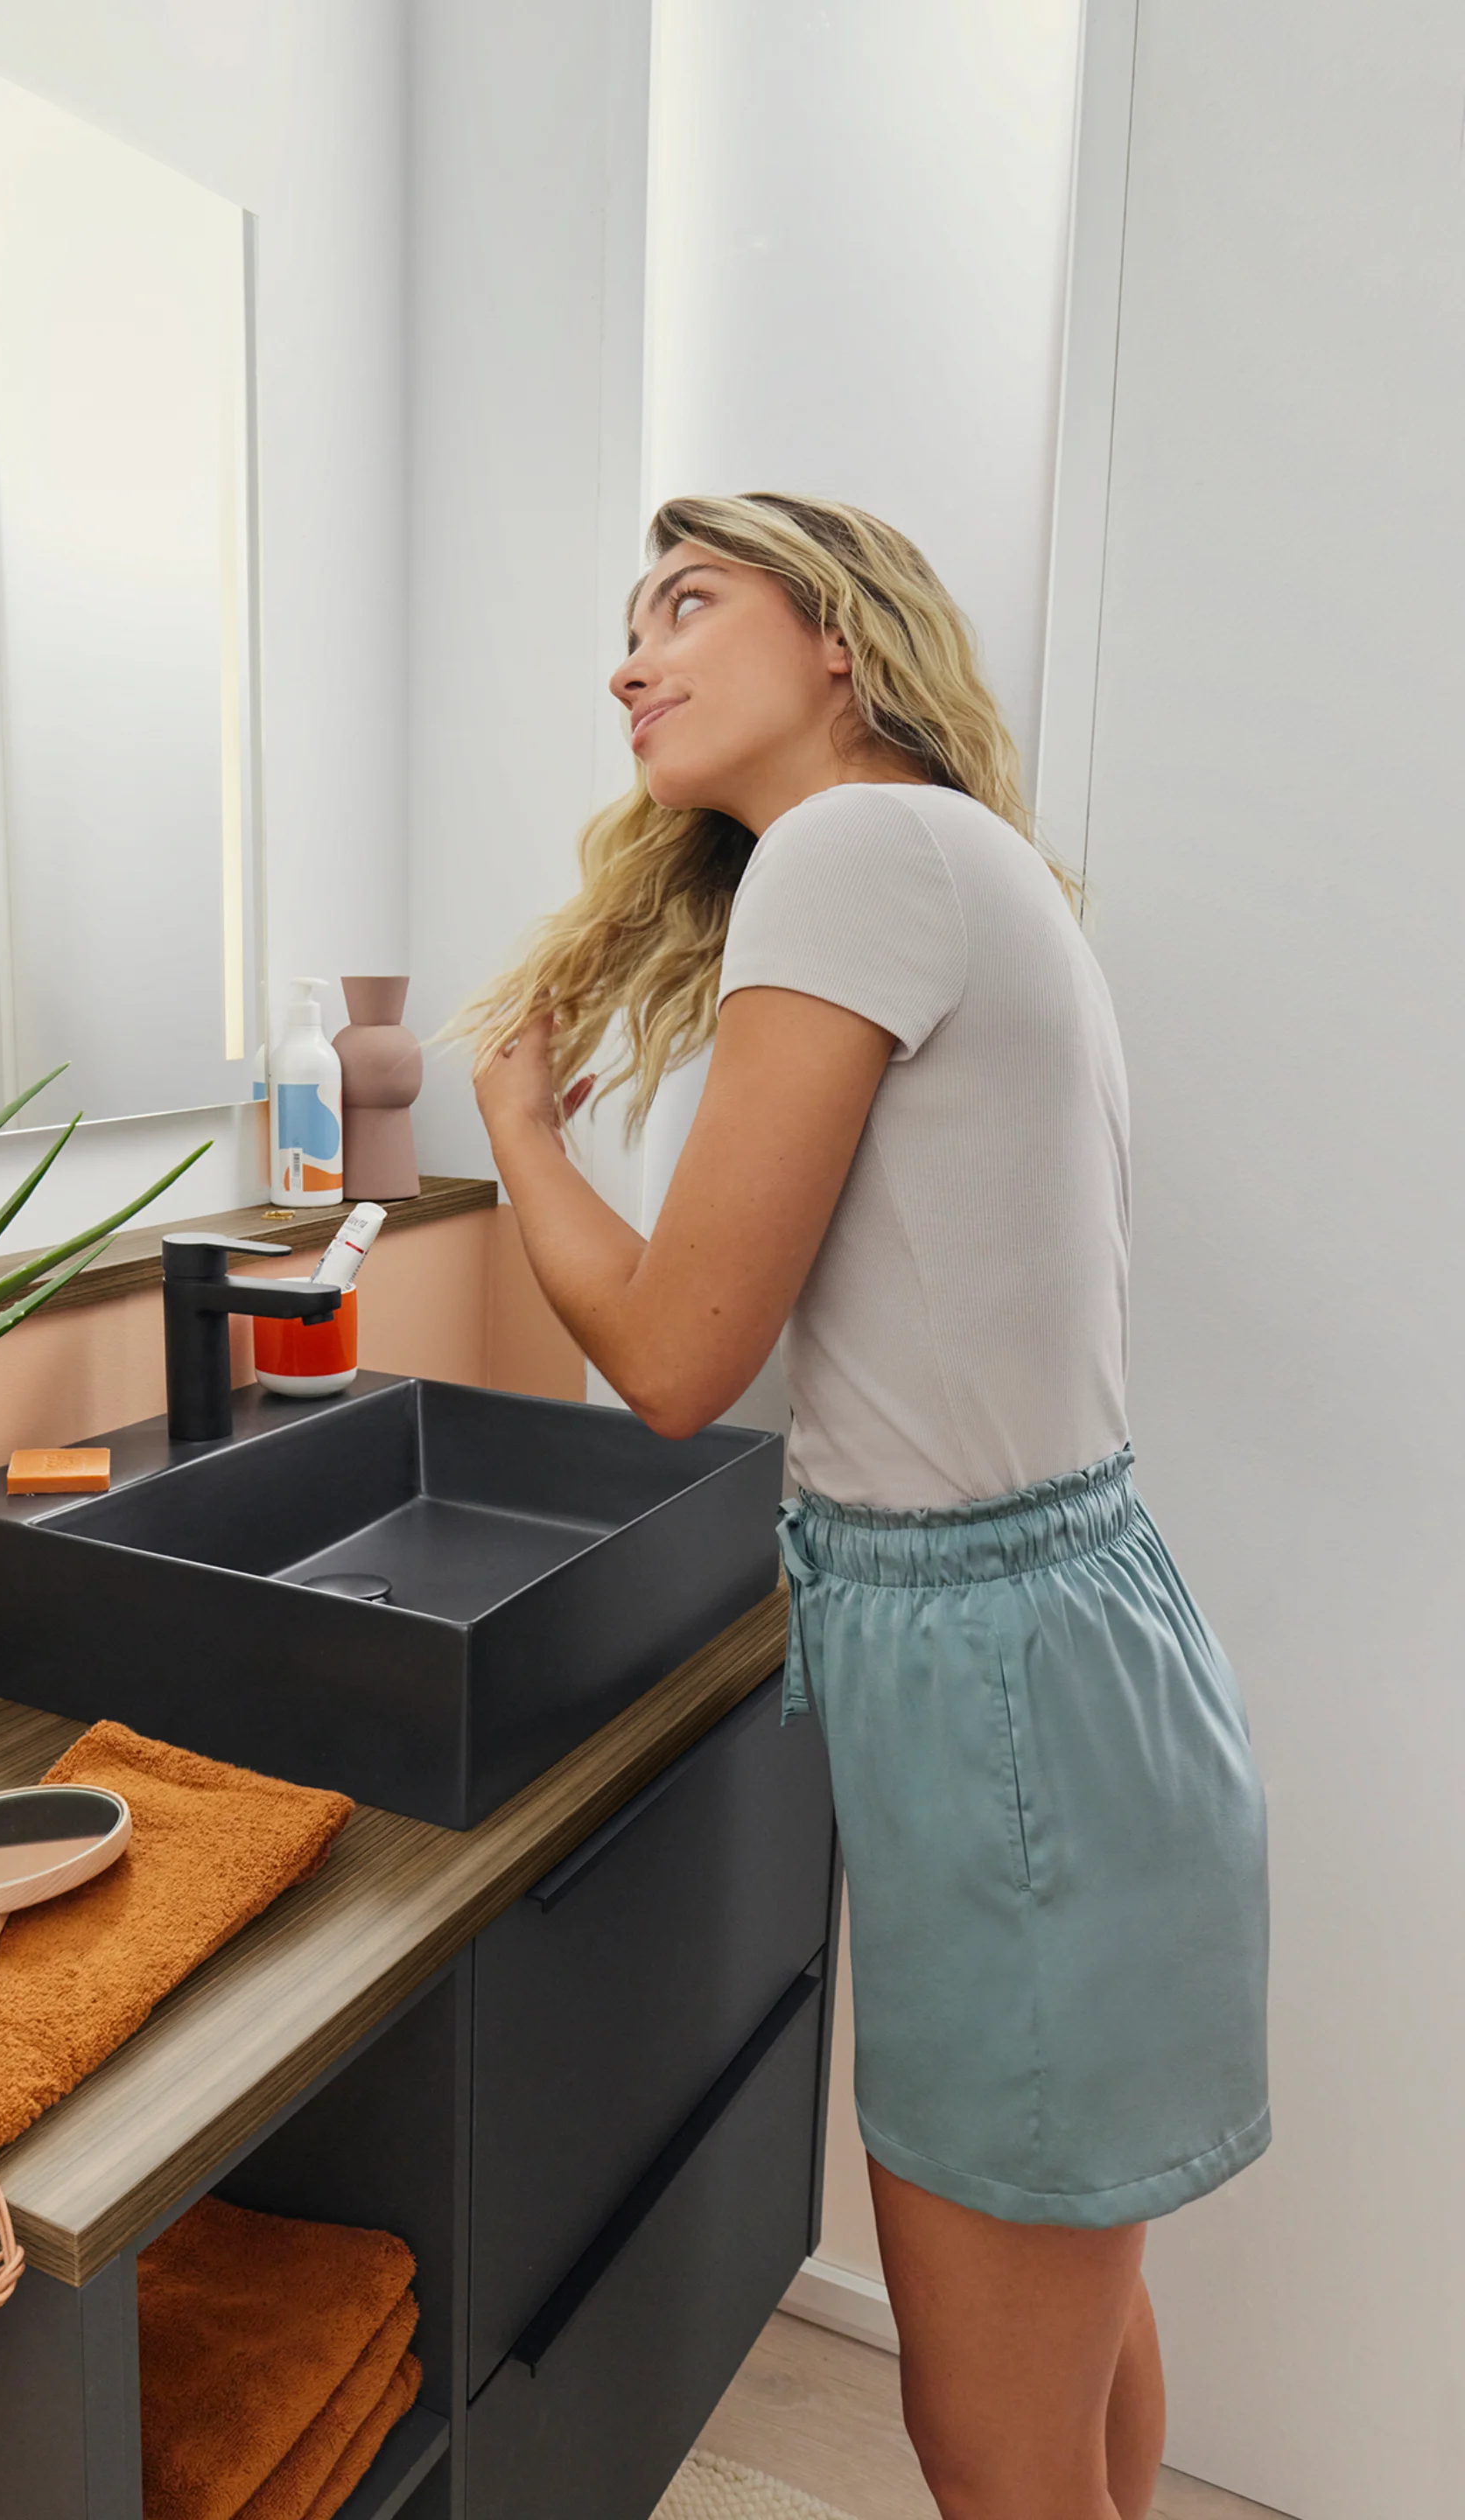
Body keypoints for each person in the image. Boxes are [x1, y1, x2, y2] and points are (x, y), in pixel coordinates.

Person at [463, 494, 1268, 2520]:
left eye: (683, 600)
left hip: (1001, 1707)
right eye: (621, 620)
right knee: (1077, 2361)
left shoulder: (848, 846)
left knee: (982, 2447)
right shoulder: (956, 863)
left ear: (838, 640)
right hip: (1074, 1664)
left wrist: (510, 1134)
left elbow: (669, 1361)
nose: (627, 657)